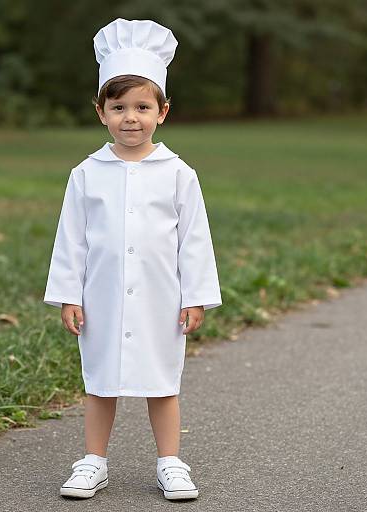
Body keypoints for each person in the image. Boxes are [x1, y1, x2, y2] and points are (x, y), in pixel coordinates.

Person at [43, 18, 222, 500]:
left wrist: (197, 297)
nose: (130, 117)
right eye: (118, 107)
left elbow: (194, 239)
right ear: (100, 111)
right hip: (100, 296)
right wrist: (66, 295)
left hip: (161, 298)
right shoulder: (86, 173)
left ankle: (170, 463)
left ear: (162, 111)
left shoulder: (179, 174)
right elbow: (71, 238)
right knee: (100, 380)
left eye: (142, 107)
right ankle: (93, 462)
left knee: (162, 382)